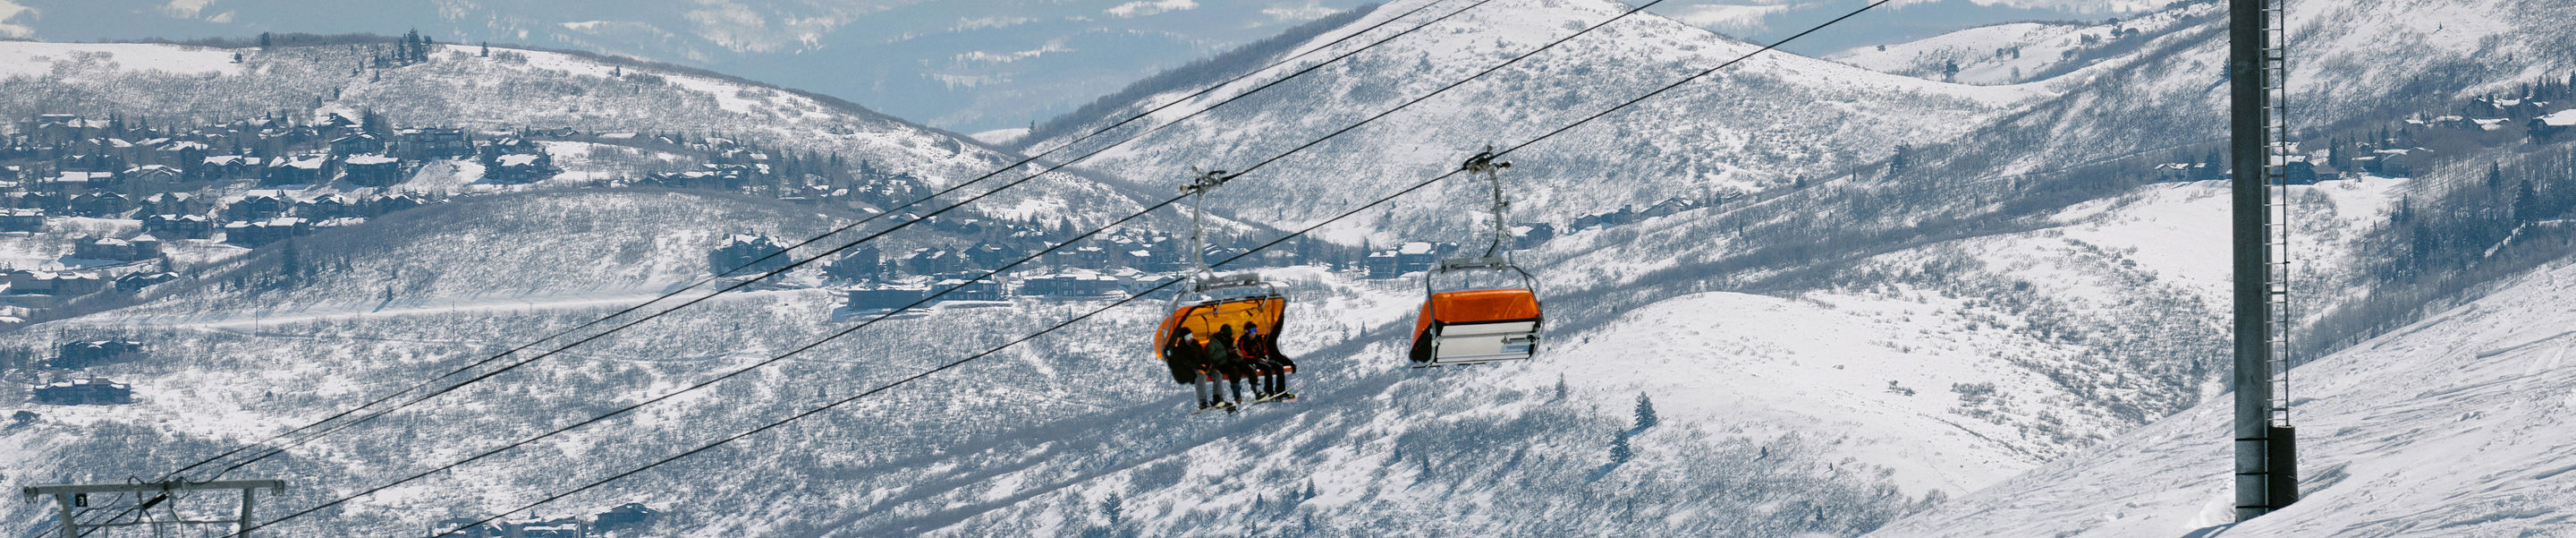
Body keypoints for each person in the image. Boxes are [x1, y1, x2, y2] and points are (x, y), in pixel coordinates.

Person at [1238, 321, 1294, 400]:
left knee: (1279, 366)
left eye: (1255, 330)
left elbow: (1263, 350)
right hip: (1251, 361)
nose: (1254, 333)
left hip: (1260, 360)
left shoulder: (1257, 339)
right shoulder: (1243, 340)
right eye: (1252, 331)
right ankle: (1269, 392)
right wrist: (1258, 359)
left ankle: (1280, 391)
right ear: (1246, 331)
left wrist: (1265, 356)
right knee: (1267, 368)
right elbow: (1245, 354)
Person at [1166, 328, 1216, 410]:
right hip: (1193, 369)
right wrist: (1200, 367)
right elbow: (1187, 362)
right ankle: (1202, 403)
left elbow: (1202, 356)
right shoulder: (1181, 349)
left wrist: (1208, 365)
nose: (1190, 339)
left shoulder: (1196, 345)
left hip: (1201, 367)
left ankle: (1218, 399)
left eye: (1191, 336)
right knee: (1201, 376)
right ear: (1183, 339)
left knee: (1217, 374)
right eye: (1188, 337)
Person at [1206, 325, 1251, 409]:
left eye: (1229, 336)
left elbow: (1240, 355)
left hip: (1230, 363)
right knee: (1232, 371)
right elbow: (1211, 357)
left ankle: (1241, 395)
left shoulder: (1231, 341)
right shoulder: (1214, 343)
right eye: (1226, 336)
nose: (1228, 337)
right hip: (1219, 364)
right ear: (1222, 334)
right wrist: (1226, 352)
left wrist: (1237, 353)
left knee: (1240, 369)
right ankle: (1220, 399)